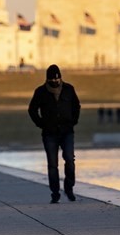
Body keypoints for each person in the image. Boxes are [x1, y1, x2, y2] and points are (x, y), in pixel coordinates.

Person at [28, 64, 81, 203]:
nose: (55, 82)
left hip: (67, 131)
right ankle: (55, 193)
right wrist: (41, 123)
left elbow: (76, 106)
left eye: (57, 79)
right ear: (48, 79)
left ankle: (69, 188)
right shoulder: (40, 92)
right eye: (52, 80)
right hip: (49, 133)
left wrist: (73, 121)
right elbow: (32, 110)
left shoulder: (69, 89)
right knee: (52, 164)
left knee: (70, 160)